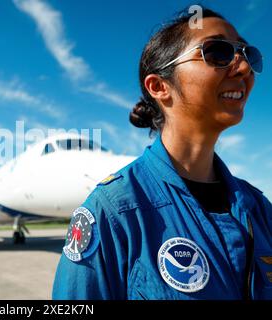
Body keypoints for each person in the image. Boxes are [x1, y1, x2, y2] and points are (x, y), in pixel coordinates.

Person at [52, 7, 271, 300]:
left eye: (247, 54)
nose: (244, 67)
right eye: (218, 52)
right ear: (159, 87)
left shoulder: (258, 208)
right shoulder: (114, 210)